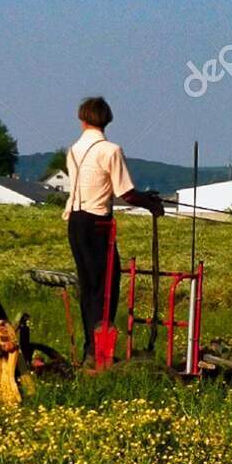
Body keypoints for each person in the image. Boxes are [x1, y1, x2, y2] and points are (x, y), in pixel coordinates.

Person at [64, 97, 164, 365]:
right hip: (98, 223)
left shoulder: (73, 150)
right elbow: (126, 193)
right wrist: (152, 204)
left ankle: (90, 349)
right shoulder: (111, 150)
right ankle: (101, 351)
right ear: (106, 120)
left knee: (88, 288)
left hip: (75, 221)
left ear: (82, 119)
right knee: (106, 288)